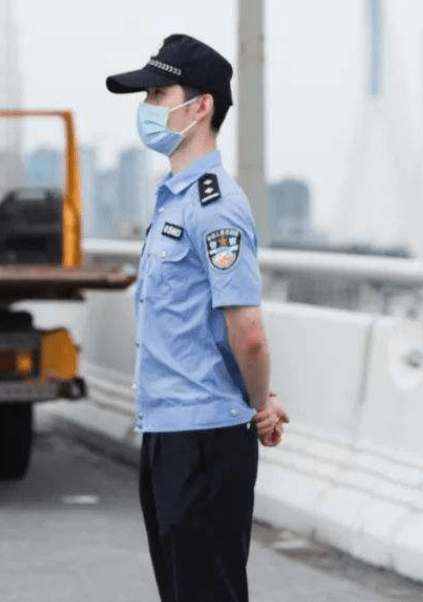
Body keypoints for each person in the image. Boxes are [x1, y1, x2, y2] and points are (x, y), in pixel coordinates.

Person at [106, 33, 289, 602]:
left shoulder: (216, 206)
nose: (147, 108)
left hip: (205, 439)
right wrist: (261, 398)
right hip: (167, 432)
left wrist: (260, 405)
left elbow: (247, 333)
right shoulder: (175, 199)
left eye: (158, 95)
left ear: (201, 106)